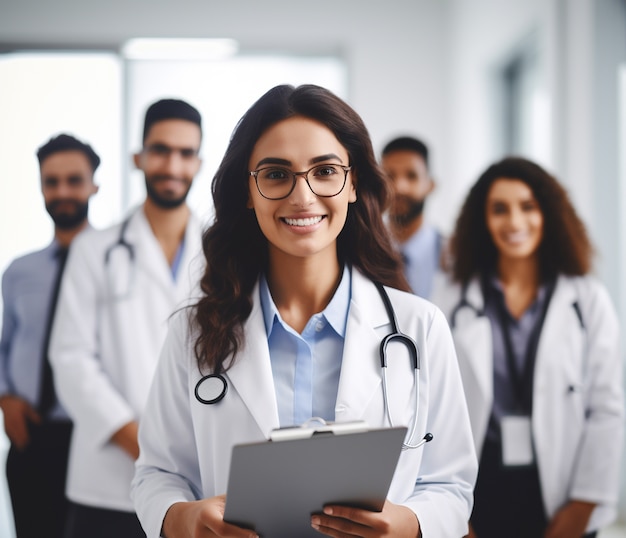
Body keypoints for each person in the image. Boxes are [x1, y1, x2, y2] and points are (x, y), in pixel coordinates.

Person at [131, 84, 477, 538]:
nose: (303, 196)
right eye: (276, 174)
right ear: (248, 191)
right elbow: (156, 475)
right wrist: (181, 518)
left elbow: (451, 483)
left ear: (352, 183)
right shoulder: (194, 331)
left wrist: (412, 524)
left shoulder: (419, 327)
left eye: (325, 171)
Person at [431, 157, 624, 538]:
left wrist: (583, 506)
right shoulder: (452, 298)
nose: (515, 222)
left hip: (563, 492)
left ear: (548, 214)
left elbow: (607, 409)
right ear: (482, 220)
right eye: (499, 209)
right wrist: (450, 511)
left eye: (528, 206)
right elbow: (432, 408)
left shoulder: (587, 299)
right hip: (478, 491)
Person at [49, 99, 206, 538]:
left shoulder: (222, 254)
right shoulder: (93, 250)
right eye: (160, 150)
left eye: (185, 153)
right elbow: (71, 358)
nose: (171, 164)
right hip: (106, 484)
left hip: (195, 482)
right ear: (138, 157)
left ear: (199, 162)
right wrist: (140, 440)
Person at [0, 133, 100, 537]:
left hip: (92, 438)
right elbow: (5, 344)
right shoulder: (19, 272)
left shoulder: (115, 263)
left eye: (74, 180)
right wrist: (5, 397)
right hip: (31, 437)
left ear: (94, 184)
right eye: (51, 181)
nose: (62, 191)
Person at [381, 136, 444, 299]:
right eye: (389, 176)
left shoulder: (452, 257)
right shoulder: (362, 252)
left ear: (431, 185)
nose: (399, 187)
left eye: (411, 176)